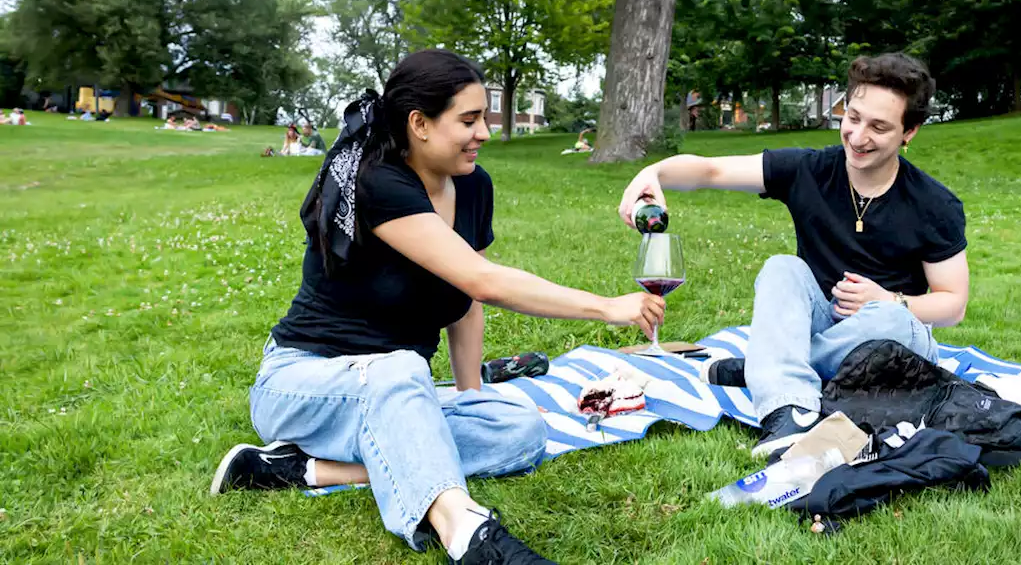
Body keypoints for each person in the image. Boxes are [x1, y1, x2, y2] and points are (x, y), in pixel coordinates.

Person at [210, 49, 664, 564]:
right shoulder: (376, 184)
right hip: (304, 385)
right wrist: (607, 307)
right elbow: (483, 280)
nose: (485, 133)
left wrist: (471, 394)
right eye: (469, 120)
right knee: (401, 368)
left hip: (398, 390)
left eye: (485, 118)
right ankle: (467, 533)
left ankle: (290, 471)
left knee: (521, 432)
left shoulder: (474, 186)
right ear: (419, 124)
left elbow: (465, 299)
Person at [616, 53, 969, 459]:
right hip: (821, 319)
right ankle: (791, 409)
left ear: (909, 132)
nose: (857, 136)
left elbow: (952, 305)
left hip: (892, 346)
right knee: (781, 267)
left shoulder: (934, 204)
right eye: (852, 118)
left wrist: (889, 300)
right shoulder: (810, 169)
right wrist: (653, 174)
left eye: (879, 127)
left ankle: (764, 368)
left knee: (891, 320)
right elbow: (711, 171)